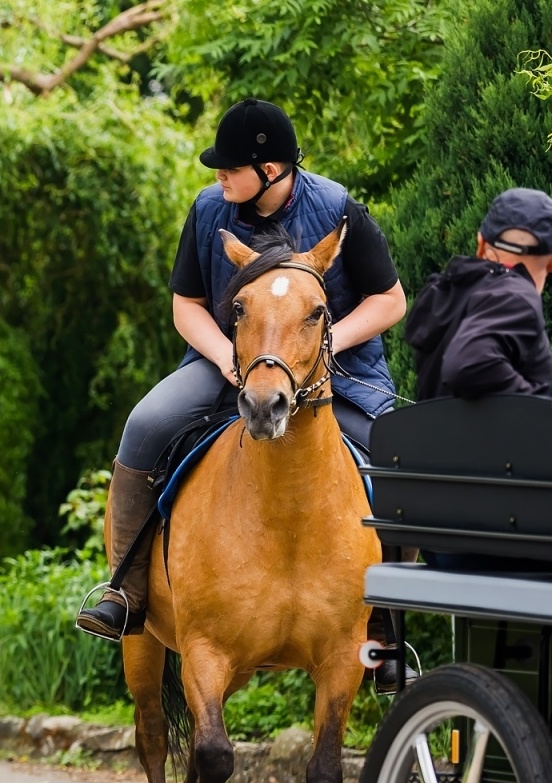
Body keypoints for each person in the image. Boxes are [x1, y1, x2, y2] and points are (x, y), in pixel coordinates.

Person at [76, 99, 410, 686]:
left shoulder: (338, 208)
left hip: (339, 370)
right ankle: (125, 590)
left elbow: (390, 300)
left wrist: (328, 346)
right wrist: (227, 355)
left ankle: (382, 624)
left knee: (401, 460)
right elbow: (187, 306)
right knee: (144, 425)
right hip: (230, 362)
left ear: (273, 170)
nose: (218, 177)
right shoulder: (209, 209)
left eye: (229, 167)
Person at [409, 188, 552, 400]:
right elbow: (467, 362)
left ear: (481, 243)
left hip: (432, 432)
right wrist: (537, 405)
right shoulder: (515, 296)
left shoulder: (449, 292)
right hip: (506, 434)